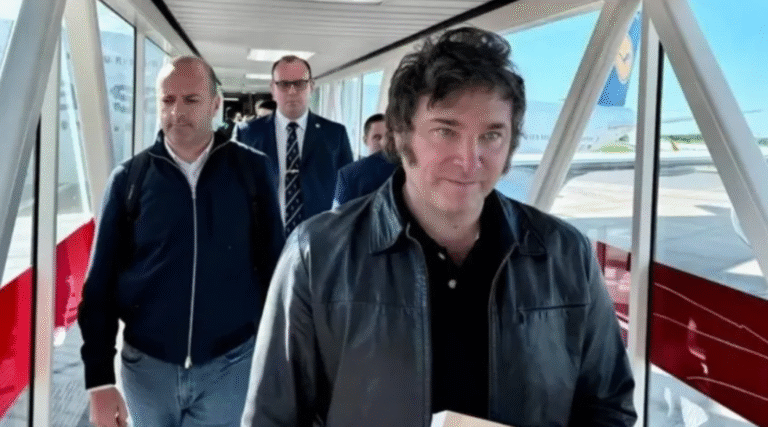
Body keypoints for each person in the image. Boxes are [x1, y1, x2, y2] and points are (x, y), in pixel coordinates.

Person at [242, 27, 636, 427]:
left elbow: (607, 407)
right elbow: (273, 417)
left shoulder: (565, 255)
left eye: (491, 135)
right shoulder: (317, 255)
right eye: (445, 131)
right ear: (401, 135)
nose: (469, 159)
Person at [78, 56, 285, 427]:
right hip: (147, 369)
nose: (177, 112)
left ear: (215, 104)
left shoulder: (252, 171)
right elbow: (99, 286)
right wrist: (99, 381)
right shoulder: (129, 180)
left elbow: (274, 270)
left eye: (191, 100)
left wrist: (279, 358)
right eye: (167, 100)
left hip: (229, 365)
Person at [234, 55, 353, 235]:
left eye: (299, 84)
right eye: (283, 84)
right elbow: (234, 190)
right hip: (262, 238)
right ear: (273, 89)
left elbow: (348, 192)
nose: (292, 91)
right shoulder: (247, 133)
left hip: (319, 237)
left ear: (311, 86)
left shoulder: (335, 134)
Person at [332, 113, 396, 206]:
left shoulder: (347, 174)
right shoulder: (406, 169)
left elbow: (339, 213)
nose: (383, 142)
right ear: (365, 140)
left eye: (388, 137)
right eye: (377, 137)